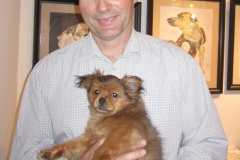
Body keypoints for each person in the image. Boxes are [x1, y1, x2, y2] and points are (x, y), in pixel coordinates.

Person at [10, 0, 228, 159]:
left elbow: (209, 143)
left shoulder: (181, 65)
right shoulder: (46, 73)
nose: (102, 6)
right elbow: (25, 152)